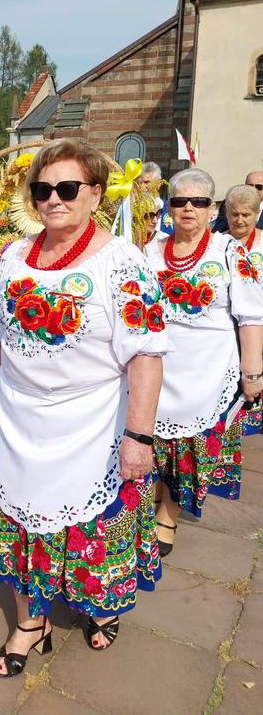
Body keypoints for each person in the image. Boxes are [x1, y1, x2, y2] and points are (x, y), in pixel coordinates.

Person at [0, 137, 167, 678]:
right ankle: (29, 623)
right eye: (42, 189)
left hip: (91, 420)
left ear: (96, 193)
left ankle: (100, 606)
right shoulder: (13, 258)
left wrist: (139, 437)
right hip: (21, 418)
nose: (53, 199)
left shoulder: (123, 262)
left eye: (67, 188)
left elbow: (147, 355)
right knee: (18, 519)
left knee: (94, 524)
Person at [146, 170, 263, 557]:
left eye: (198, 202)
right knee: (154, 440)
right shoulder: (150, 248)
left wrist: (252, 374)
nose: (188, 209)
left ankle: (169, 512)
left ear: (211, 208)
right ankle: (154, 497)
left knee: (188, 447)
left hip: (206, 371)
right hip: (158, 364)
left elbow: (251, 317)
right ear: (169, 207)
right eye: (179, 201)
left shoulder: (230, 252)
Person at [225, 184, 263, 435]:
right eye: (234, 214)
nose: (239, 220)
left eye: (246, 214)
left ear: (257, 214)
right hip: (230, 328)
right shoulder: (219, 243)